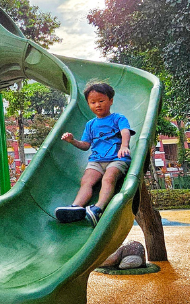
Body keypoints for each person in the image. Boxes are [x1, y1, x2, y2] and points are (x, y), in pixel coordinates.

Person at [54, 82, 133, 226]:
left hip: (117, 158)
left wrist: (124, 146)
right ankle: (76, 207)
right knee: (86, 181)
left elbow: (125, 131)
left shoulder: (118, 118)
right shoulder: (90, 124)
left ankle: (98, 208)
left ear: (111, 101)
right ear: (89, 104)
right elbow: (85, 146)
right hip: (96, 161)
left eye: (101, 101)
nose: (97, 105)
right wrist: (72, 141)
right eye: (93, 102)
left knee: (109, 178)